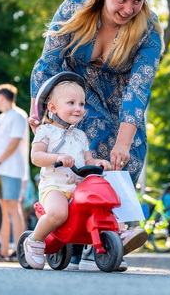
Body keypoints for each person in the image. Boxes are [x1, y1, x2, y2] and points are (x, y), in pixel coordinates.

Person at [29, 0, 160, 269]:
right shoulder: (75, 6)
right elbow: (48, 62)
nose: (129, 9)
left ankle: (104, 237)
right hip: (75, 91)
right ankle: (78, 236)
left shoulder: (148, 29)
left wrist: (123, 144)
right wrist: (38, 110)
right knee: (93, 135)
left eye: (137, 1)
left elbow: (138, 89)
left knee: (131, 152)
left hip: (121, 94)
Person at [22, 73, 112, 270]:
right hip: (54, 187)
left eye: (82, 104)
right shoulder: (46, 131)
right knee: (58, 213)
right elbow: (36, 157)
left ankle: (109, 239)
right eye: (71, 103)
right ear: (53, 108)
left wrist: (98, 162)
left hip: (78, 189)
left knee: (100, 207)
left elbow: (88, 161)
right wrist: (57, 158)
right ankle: (35, 240)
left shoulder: (80, 135)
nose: (78, 108)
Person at [0, 84, 29, 262]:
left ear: (2, 97)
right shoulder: (1, 117)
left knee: (13, 208)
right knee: (0, 210)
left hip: (12, 169)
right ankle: (3, 251)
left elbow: (14, 142)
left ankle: (19, 251)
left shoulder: (18, 115)